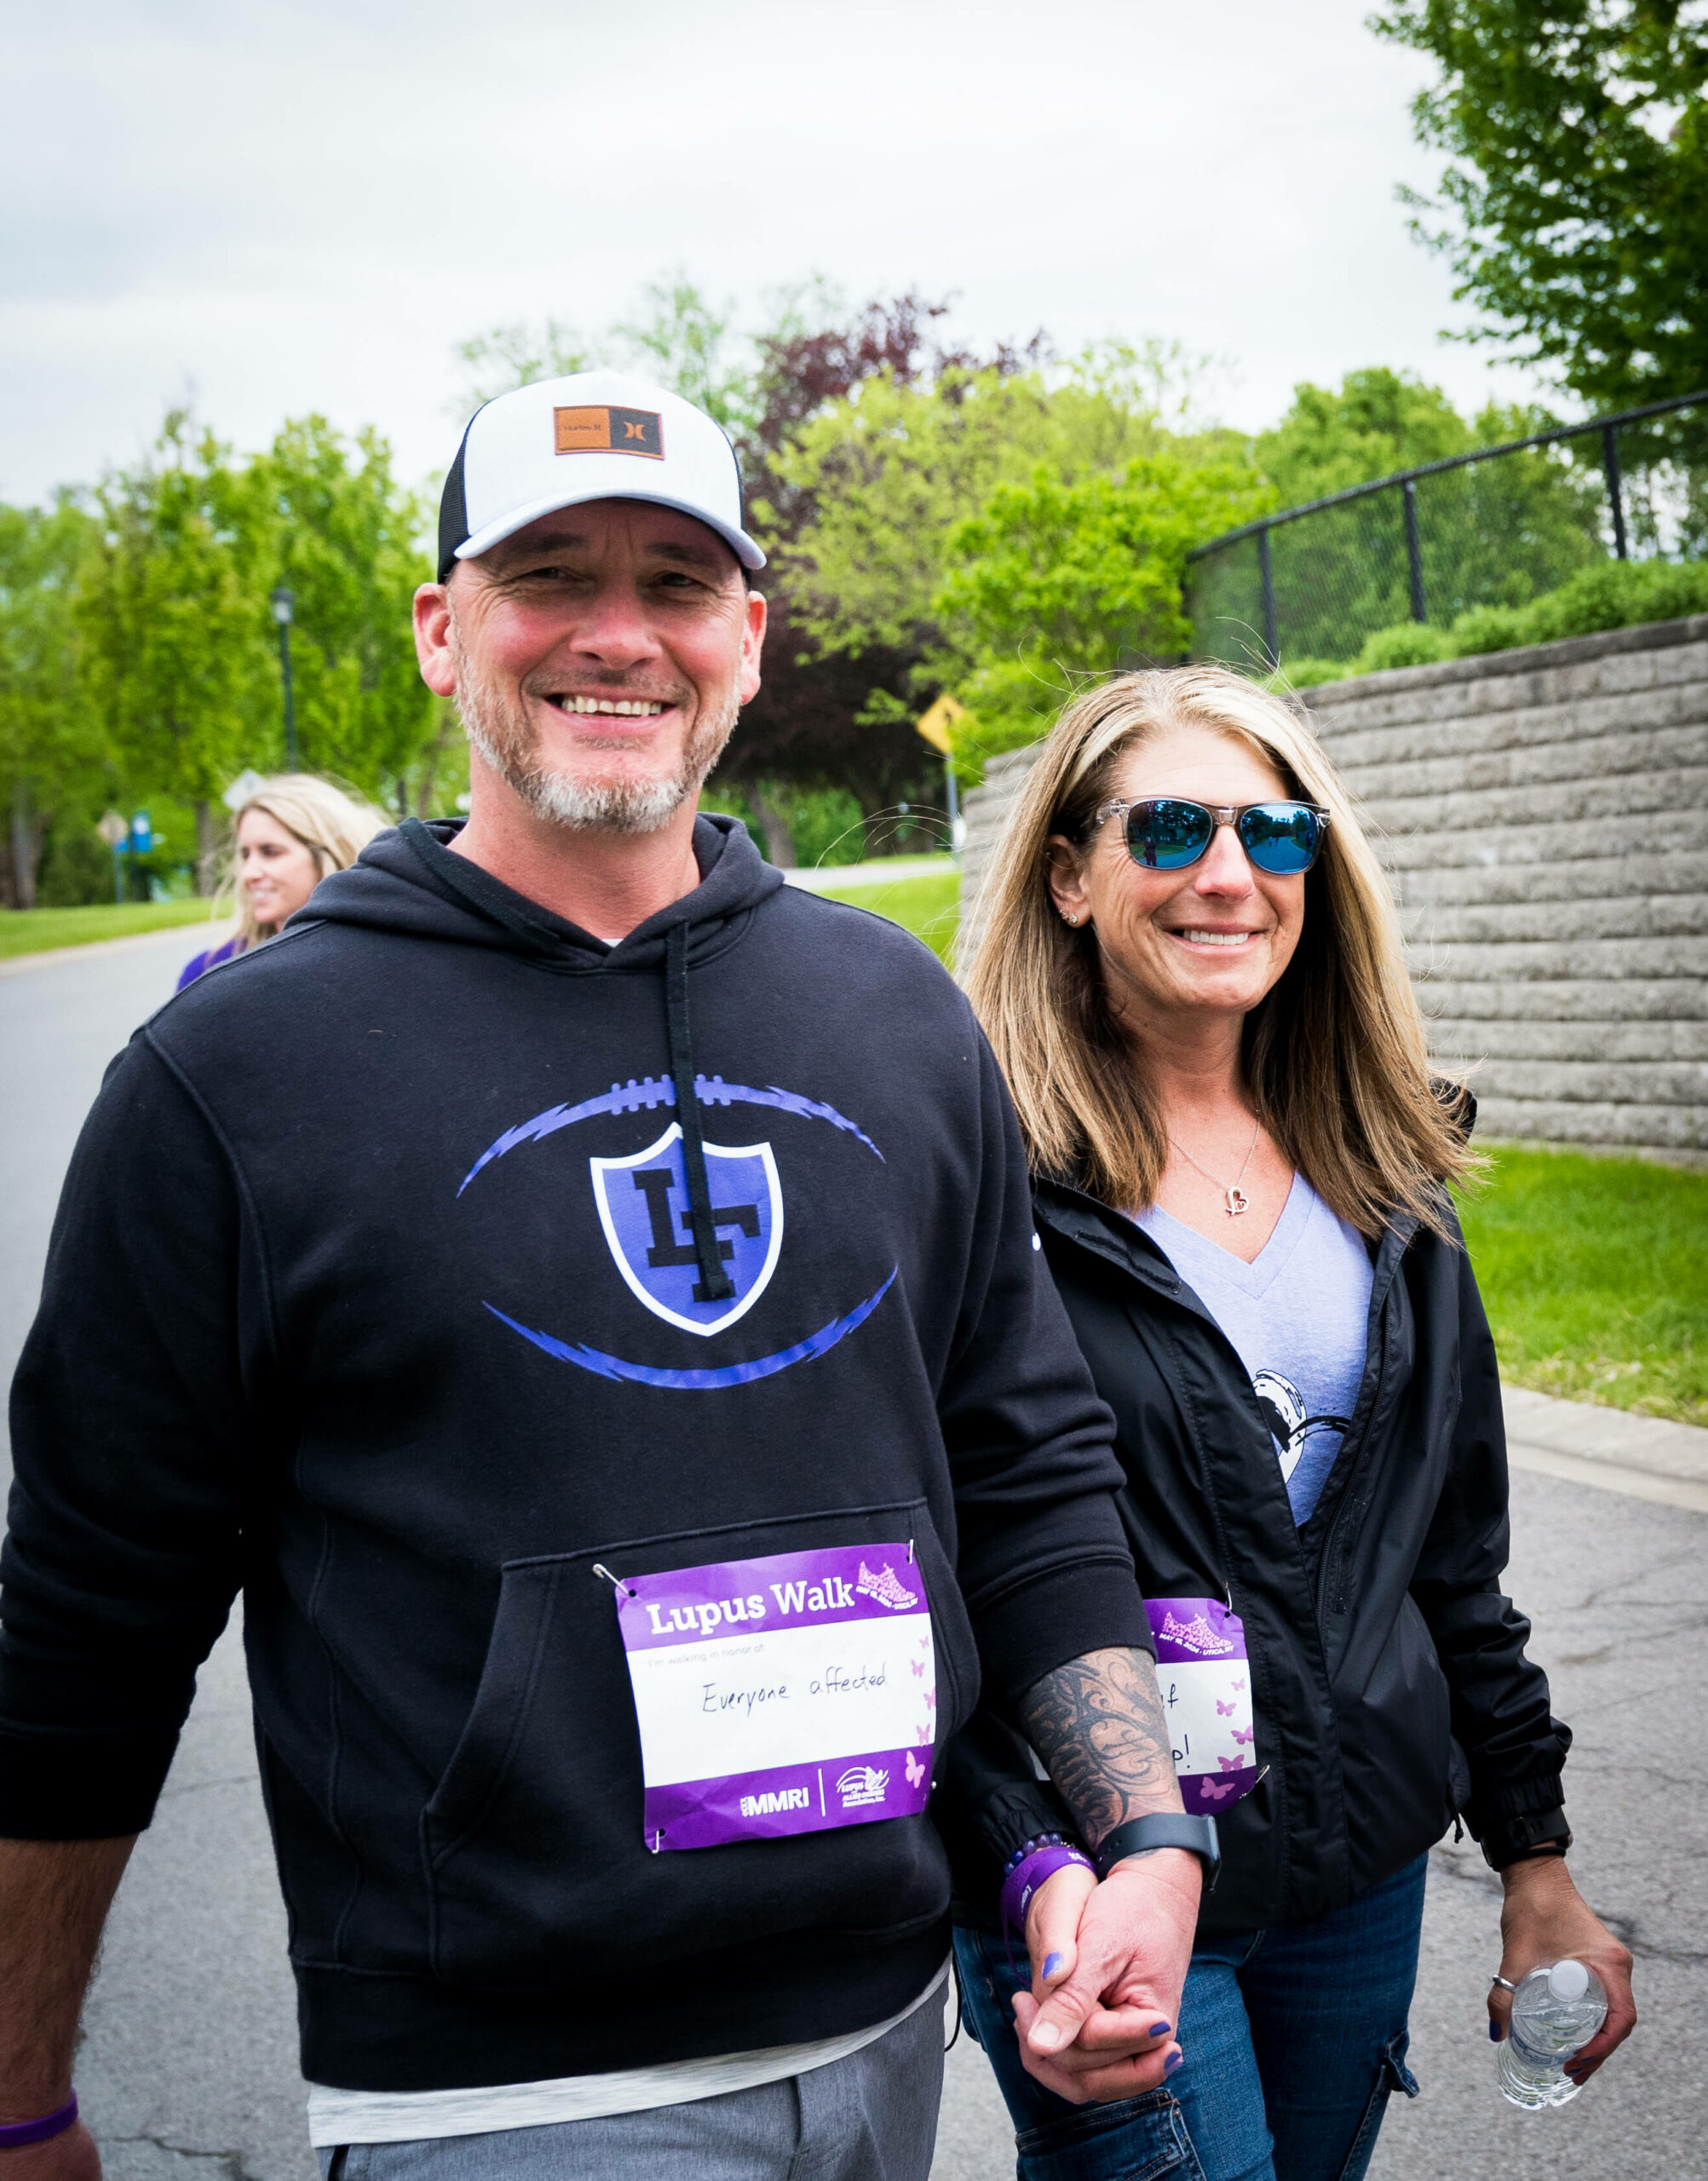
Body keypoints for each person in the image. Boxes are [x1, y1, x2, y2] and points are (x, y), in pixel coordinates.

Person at [0, 373, 1208, 2181]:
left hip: (887, 2030)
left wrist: (1142, 1836)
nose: (619, 633)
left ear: (748, 636)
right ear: (442, 629)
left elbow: (1028, 1471)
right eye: (551, 573)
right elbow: (88, 1630)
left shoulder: (893, 1017)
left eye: (678, 580)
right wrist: (20, 2089)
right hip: (503, 2090)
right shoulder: (232, 1079)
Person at [943, 666, 1636, 2181]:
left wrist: (1536, 1857)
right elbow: (946, 1582)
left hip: (1357, 1873)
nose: (1228, 875)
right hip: (1105, 1884)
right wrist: (1031, 1862)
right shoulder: (978, 1185)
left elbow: (1451, 1556)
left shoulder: (1389, 1172)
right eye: (1173, 825)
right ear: (1066, 874)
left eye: (1275, 833)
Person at [176, 774, 387, 987]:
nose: (248, 873)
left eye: (270, 852)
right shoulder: (207, 974)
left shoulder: (380, 960)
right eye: (245, 854)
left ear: (327, 857)